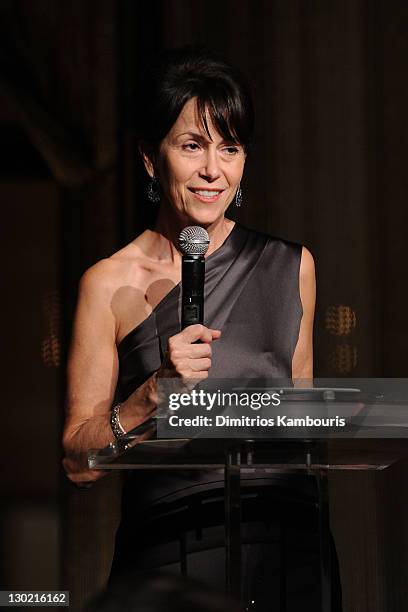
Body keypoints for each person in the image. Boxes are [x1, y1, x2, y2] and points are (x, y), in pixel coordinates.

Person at [63, 47, 339, 610]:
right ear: (149, 158)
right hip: (170, 551)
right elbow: (76, 462)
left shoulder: (293, 265)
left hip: (287, 550)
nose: (214, 170)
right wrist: (152, 396)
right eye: (193, 146)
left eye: (230, 148)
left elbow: (304, 426)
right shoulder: (107, 283)